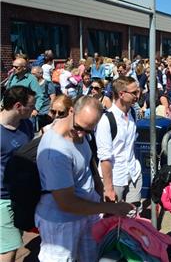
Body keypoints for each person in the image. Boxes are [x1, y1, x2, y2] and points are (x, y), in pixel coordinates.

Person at [35, 96, 135, 262]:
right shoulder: (55, 151)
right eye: (79, 128)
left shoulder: (79, 130)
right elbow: (67, 203)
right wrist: (114, 208)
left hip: (86, 216)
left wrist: (101, 186)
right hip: (61, 224)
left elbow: (88, 162)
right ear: (71, 111)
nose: (81, 134)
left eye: (89, 130)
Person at [0, 87, 35, 262]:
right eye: (31, 106)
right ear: (18, 105)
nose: (34, 110)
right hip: (2, 198)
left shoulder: (26, 125)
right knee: (9, 249)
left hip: (21, 196)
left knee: (13, 241)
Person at [95, 76, 142, 205]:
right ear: (121, 94)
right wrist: (108, 188)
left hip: (133, 173)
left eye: (138, 91)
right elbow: (105, 157)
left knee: (132, 217)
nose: (137, 95)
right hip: (115, 178)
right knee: (114, 221)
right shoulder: (106, 120)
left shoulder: (132, 112)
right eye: (134, 93)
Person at [31, 66, 56, 131]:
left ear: (40, 74)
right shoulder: (31, 84)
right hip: (33, 112)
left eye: (33, 74)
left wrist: (50, 111)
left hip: (45, 112)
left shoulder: (48, 84)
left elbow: (53, 98)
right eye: (31, 74)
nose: (31, 76)